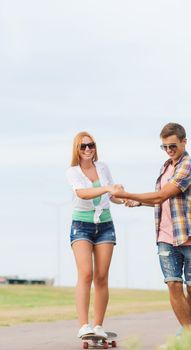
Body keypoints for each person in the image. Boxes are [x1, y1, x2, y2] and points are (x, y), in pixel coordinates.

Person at [111, 122, 191, 333]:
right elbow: (159, 201)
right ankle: (188, 333)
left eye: (172, 146)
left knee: (190, 289)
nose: (168, 150)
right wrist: (137, 202)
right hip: (165, 236)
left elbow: (163, 194)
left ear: (184, 141)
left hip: (188, 236)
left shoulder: (188, 165)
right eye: (164, 147)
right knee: (173, 284)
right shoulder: (165, 167)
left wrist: (126, 194)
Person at [65, 132, 123, 339]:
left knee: (101, 276)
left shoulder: (103, 167)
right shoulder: (73, 172)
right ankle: (83, 325)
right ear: (77, 150)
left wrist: (124, 198)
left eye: (91, 145)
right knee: (86, 273)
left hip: (105, 225)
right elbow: (82, 193)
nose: (88, 149)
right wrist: (108, 188)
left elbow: (112, 195)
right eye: (83, 146)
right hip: (81, 225)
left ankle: (98, 326)